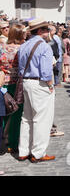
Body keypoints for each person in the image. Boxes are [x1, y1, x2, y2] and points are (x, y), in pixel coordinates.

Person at [17, 18, 55, 163]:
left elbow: (21, 68)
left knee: (26, 118)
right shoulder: (44, 47)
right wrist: (50, 85)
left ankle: (23, 150)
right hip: (39, 84)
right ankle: (38, 152)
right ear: (39, 31)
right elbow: (46, 72)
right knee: (42, 119)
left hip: (26, 82)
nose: (48, 32)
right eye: (45, 29)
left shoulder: (24, 45)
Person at [0, 24, 25, 153]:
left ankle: (2, 140)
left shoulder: (2, 48)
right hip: (16, 85)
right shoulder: (21, 49)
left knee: (3, 113)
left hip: (3, 83)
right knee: (16, 113)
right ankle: (13, 142)